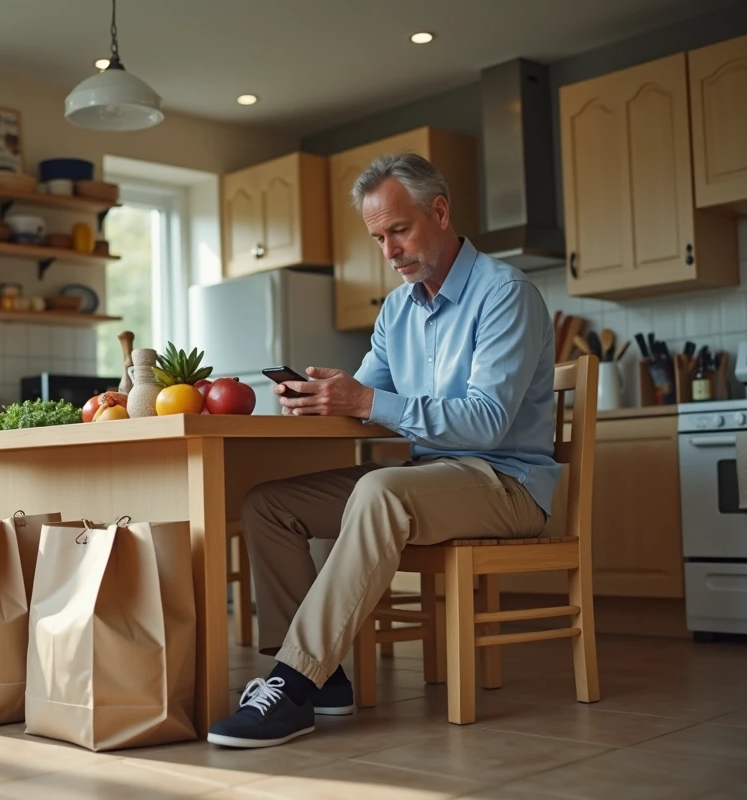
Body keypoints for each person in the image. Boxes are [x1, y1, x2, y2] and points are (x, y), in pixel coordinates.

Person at [206, 151, 560, 749]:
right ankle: (329, 682)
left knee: (379, 488)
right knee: (267, 504)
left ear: (440, 212)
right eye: (378, 238)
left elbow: (488, 424)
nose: (389, 251)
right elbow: (368, 401)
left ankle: (292, 683)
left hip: (508, 484)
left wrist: (364, 400)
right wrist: (322, 398)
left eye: (400, 230)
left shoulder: (505, 294)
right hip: (429, 479)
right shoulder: (397, 309)